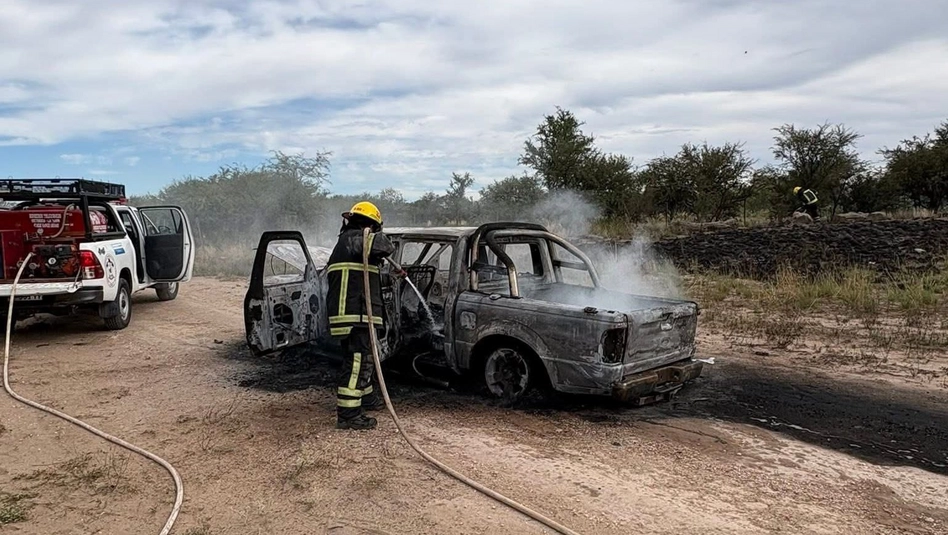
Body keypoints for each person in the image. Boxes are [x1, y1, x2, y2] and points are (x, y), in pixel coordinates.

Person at [326, 201, 403, 430]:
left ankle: (366, 398)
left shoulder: (353, 243)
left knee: (365, 358)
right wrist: (378, 233)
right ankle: (348, 414)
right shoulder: (355, 238)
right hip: (353, 314)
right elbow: (383, 245)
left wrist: (393, 273)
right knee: (358, 361)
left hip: (356, 313)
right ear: (371, 224)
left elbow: (365, 277)